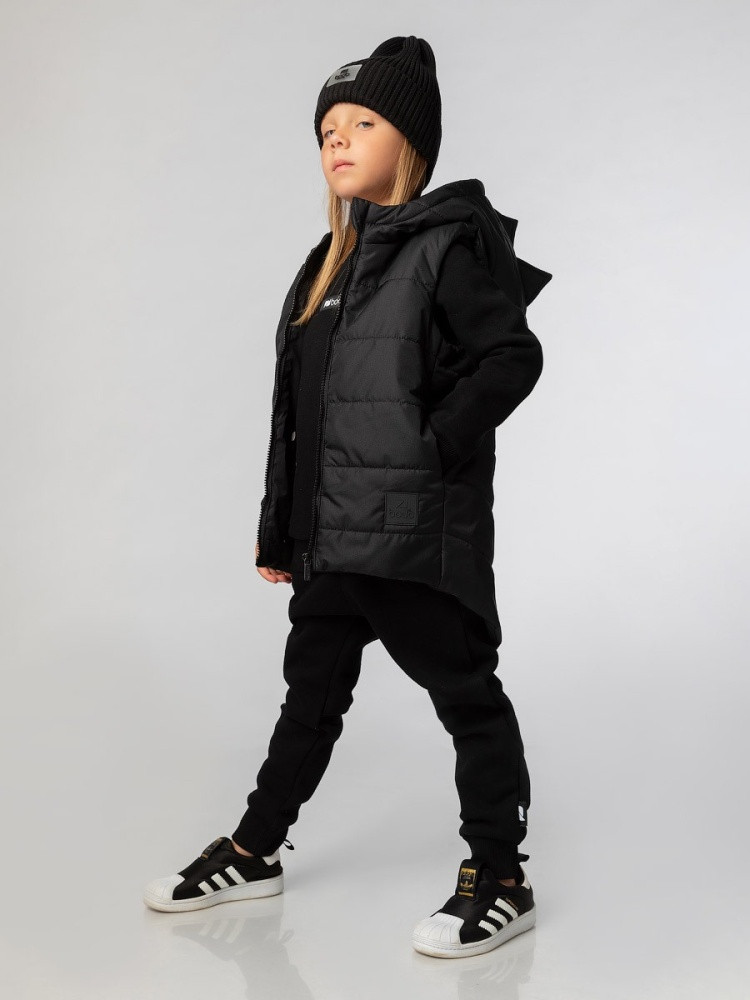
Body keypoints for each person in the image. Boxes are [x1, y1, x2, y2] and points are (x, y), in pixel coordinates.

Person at [144, 35, 552, 960]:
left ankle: (501, 877)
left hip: (407, 536)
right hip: (329, 542)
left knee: (465, 696)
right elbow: (300, 415)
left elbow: (511, 356)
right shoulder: (327, 264)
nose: (338, 138)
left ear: (410, 142)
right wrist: (280, 531)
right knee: (309, 700)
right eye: (328, 127)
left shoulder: (447, 245)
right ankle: (255, 851)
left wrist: (431, 446)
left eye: (363, 122)